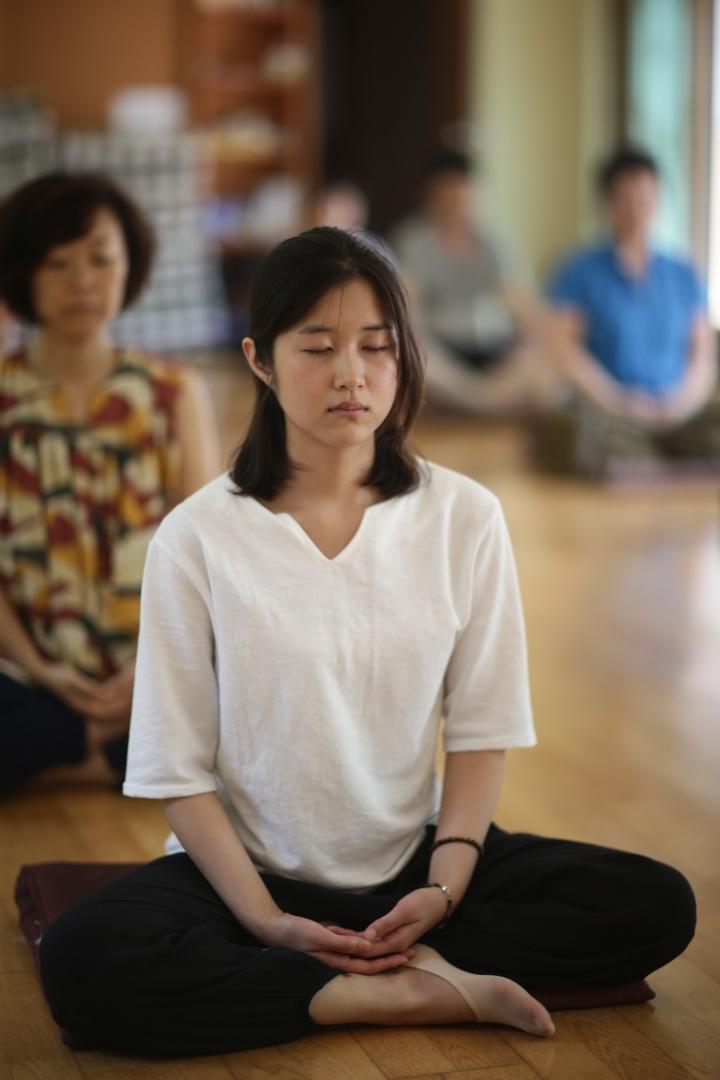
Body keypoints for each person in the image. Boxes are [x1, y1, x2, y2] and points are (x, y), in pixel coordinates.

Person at [38, 227, 695, 1057]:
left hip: (416, 865)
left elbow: (482, 733)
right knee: (81, 963)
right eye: (318, 346)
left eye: (376, 348)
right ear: (261, 361)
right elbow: (176, 770)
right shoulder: (198, 536)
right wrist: (269, 922)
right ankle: (395, 993)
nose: (351, 374)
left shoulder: (464, 518)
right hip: (250, 873)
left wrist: (445, 890)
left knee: (658, 903)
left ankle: (379, 966)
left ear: (403, 358)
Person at [0, 171, 220, 792]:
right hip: (23, 671)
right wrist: (42, 670)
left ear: (130, 264)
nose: (83, 281)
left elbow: (204, 556)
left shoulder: (176, 392)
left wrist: (151, 670)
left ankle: (67, 754)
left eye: (100, 258)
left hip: (157, 665)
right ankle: (115, 752)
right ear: (22, 273)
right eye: (57, 263)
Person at [544, 146, 719, 476]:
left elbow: (702, 359)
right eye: (626, 197)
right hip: (612, 409)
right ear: (607, 203)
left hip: (679, 410)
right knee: (604, 446)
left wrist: (679, 404)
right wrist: (621, 401)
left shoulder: (683, 274)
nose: (637, 208)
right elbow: (565, 352)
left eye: (646, 197)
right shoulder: (580, 271)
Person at [390, 151, 557, 414]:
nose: (456, 201)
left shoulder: (494, 245)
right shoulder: (414, 243)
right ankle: (483, 401)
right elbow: (409, 310)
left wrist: (529, 341)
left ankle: (478, 400)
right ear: (432, 195)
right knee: (415, 361)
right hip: (442, 352)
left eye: (462, 191)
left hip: (493, 349)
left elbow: (524, 307)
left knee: (542, 369)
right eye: (447, 192)